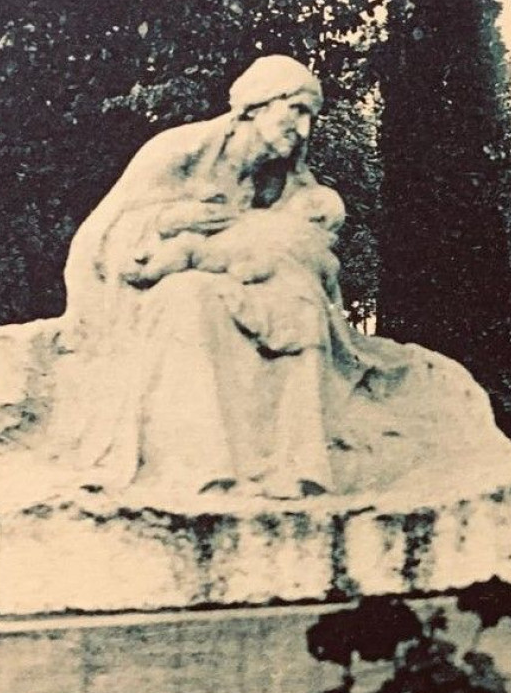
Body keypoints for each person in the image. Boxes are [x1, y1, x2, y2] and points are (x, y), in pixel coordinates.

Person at [55, 55, 427, 499]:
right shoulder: (178, 152)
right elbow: (103, 238)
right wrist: (179, 222)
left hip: (238, 278)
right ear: (256, 105)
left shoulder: (284, 179)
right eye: (296, 111)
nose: (303, 130)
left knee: (301, 302)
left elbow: (310, 246)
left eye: (310, 117)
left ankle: (298, 466)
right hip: (152, 283)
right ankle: (203, 467)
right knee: (189, 299)